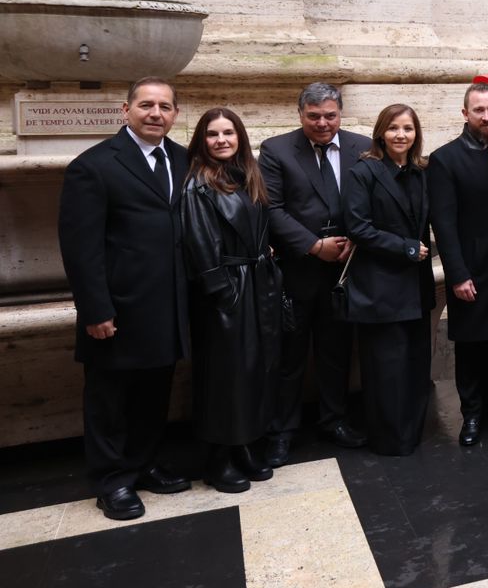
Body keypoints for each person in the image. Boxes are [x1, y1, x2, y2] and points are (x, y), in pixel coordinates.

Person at [58, 78, 192, 520]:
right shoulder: (94, 166)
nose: (156, 114)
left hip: (167, 306)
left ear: (175, 114)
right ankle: (111, 480)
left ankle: (143, 463)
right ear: (125, 109)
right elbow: (81, 247)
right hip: (117, 309)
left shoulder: (183, 159)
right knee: (109, 399)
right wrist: (95, 309)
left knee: (154, 394)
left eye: (165, 107)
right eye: (147, 105)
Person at [258, 82, 372, 464]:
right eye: (314, 116)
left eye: (330, 115)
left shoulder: (362, 146)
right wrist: (312, 245)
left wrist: (359, 239)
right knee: (289, 357)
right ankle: (282, 431)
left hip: (345, 271)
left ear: (341, 113)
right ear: (300, 114)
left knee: (336, 352)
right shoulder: (276, 150)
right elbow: (271, 209)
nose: (323, 124)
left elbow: (374, 199)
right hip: (298, 271)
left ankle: (334, 420)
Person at [181, 107, 282, 493]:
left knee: (252, 372)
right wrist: (223, 293)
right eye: (212, 134)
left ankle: (243, 445)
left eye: (228, 132)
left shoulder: (248, 177)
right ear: (202, 141)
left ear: (240, 136)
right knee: (223, 378)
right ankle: (218, 458)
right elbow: (200, 244)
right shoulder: (198, 184)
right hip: (227, 293)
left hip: (256, 284)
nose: (222, 140)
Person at [343, 104, 435, 456]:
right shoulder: (363, 172)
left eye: (408, 129)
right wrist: (407, 249)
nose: (401, 135)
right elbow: (358, 227)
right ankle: (388, 439)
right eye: (394, 128)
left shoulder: (419, 172)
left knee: (414, 364)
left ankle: (410, 434)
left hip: (415, 285)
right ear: (381, 132)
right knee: (386, 368)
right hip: (380, 285)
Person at [428, 82, 488, 447]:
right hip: (470, 269)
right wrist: (457, 274)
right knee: (469, 344)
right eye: (478, 110)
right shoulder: (445, 158)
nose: (486, 116)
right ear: (465, 113)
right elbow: (444, 224)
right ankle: (472, 412)